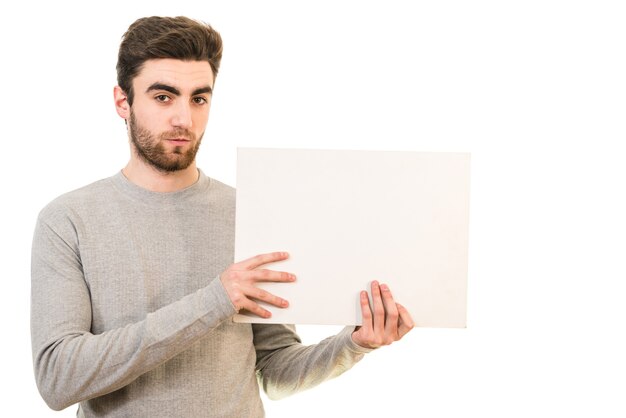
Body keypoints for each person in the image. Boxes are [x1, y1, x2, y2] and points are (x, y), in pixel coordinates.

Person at [30, 16, 414, 417]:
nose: (185, 119)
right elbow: (58, 379)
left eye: (199, 98)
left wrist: (354, 344)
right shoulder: (68, 220)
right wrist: (215, 300)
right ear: (122, 101)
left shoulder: (249, 210)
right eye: (163, 97)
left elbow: (273, 370)